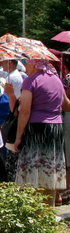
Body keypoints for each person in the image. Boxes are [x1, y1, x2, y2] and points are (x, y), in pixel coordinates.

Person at [14, 59, 70, 206]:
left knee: (34, 170)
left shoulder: (30, 81)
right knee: (50, 170)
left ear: (34, 63)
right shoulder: (56, 79)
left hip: (37, 129)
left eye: (27, 62)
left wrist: (18, 137)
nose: (25, 65)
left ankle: (36, 212)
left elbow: (24, 112)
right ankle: (49, 211)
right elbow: (65, 104)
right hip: (56, 129)